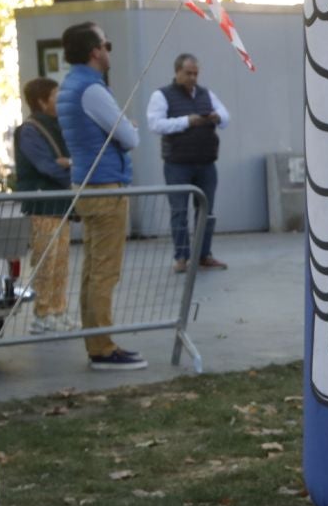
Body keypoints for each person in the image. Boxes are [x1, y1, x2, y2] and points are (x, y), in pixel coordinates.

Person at [56, 21, 147, 371]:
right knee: (105, 271)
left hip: (85, 183)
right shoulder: (92, 89)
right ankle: (103, 346)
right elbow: (129, 136)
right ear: (95, 51)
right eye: (107, 44)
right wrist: (130, 127)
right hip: (105, 187)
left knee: (93, 271)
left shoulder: (72, 85)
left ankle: (96, 342)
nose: (109, 51)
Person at [146, 53, 230, 273]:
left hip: (206, 163)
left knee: (207, 211)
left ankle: (204, 255)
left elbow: (226, 116)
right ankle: (181, 256)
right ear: (177, 72)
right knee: (179, 211)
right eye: (188, 73)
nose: (193, 78)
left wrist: (216, 117)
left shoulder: (206, 94)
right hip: (177, 164)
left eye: (196, 73)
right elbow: (155, 124)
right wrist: (187, 121)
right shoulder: (161, 95)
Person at [11, 77, 76, 334]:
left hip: (59, 203)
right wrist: (68, 167)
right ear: (42, 101)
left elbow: (62, 162)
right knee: (45, 260)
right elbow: (46, 165)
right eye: (56, 97)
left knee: (61, 260)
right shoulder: (29, 130)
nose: (60, 102)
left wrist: (66, 163)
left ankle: (58, 310)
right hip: (41, 204)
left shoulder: (57, 126)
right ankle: (42, 313)